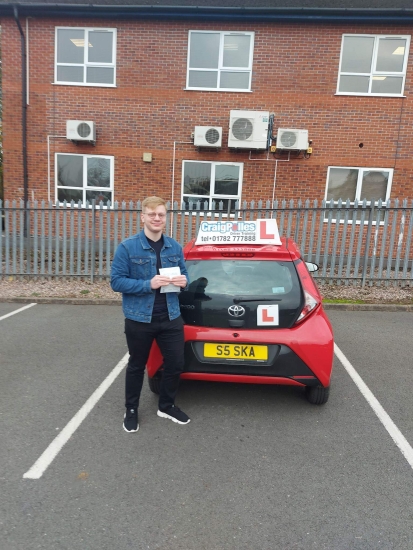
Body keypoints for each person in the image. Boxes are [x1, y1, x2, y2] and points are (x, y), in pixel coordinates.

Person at [110, 196, 190, 433]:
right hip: (139, 318)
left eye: (161, 214)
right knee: (136, 365)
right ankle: (131, 409)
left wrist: (184, 282)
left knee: (176, 363)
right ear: (143, 216)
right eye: (152, 214)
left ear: (166, 218)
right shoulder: (127, 247)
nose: (157, 218)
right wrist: (148, 284)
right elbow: (116, 282)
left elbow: (185, 275)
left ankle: (166, 405)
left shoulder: (174, 247)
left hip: (171, 315)